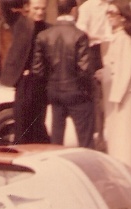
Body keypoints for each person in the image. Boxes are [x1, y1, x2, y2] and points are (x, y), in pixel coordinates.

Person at [32, 0, 95, 147]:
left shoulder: (43, 35)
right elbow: (85, 70)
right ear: (74, 10)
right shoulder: (79, 35)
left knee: (57, 137)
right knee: (85, 140)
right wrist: (88, 90)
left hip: (54, 92)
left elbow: (37, 70)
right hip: (77, 93)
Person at [97, 0, 131, 174]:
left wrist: (116, 97)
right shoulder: (121, 37)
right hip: (120, 93)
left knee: (124, 138)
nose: (109, 16)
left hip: (122, 96)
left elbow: (126, 69)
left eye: (113, 13)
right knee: (122, 136)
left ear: (123, 17)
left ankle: (125, 173)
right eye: (108, 13)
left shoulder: (124, 39)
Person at [0, 0, 52, 144]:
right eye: (36, 8)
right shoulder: (18, 22)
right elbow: (5, 4)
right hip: (23, 81)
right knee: (21, 123)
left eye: (43, 9)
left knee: (38, 124)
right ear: (27, 7)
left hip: (40, 83)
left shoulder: (48, 29)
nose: (40, 12)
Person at [76, 0, 112, 149]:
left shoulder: (110, 6)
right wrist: (98, 37)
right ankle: (98, 136)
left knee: (108, 93)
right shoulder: (87, 7)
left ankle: (106, 133)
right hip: (93, 51)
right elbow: (81, 30)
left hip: (109, 49)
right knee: (96, 95)